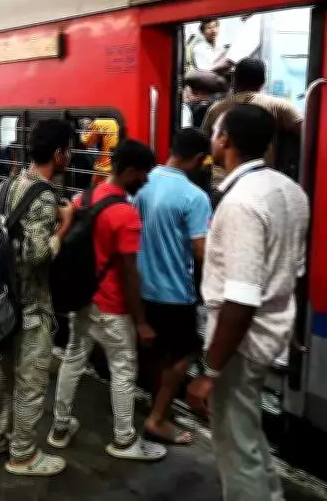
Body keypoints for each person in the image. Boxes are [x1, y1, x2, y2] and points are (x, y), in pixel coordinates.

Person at [187, 104, 309, 501]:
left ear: (226, 141)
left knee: (234, 445)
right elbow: (294, 269)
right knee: (247, 429)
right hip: (270, 333)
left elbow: (240, 299)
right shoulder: (291, 191)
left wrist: (210, 371)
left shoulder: (241, 202)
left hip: (240, 344)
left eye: (216, 132)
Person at [49, 140, 167, 462]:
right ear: (129, 172)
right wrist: (141, 322)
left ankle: (59, 428)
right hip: (112, 307)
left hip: (83, 298)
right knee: (124, 370)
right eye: (143, 175)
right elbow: (130, 273)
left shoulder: (84, 197)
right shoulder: (125, 215)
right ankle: (124, 439)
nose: (145, 181)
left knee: (73, 359)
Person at [0, 119, 75, 477]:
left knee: (6, 373)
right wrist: (64, 225)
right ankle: (23, 454)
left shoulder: (2, 188)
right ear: (60, 153)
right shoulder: (45, 197)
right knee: (31, 381)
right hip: (31, 305)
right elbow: (35, 255)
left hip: (3, 303)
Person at [133, 128, 212, 445]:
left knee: (156, 352)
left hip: (142, 287)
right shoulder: (195, 197)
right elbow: (201, 251)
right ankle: (158, 418)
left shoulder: (143, 184)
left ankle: (157, 403)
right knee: (186, 352)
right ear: (197, 160)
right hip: (175, 292)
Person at [202, 58, 304, 186]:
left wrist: (206, 168)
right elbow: (305, 130)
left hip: (221, 182)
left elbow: (203, 147)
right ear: (263, 81)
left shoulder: (216, 109)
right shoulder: (278, 106)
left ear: (235, 80)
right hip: (260, 182)